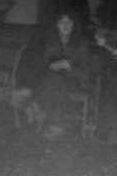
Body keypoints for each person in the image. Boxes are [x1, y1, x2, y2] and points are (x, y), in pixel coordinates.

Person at [36, 12, 95, 140]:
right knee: (54, 82)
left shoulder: (81, 44)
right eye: (62, 22)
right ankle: (56, 124)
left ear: (74, 25)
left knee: (56, 84)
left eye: (69, 22)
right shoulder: (49, 42)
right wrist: (52, 65)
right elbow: (40, 64)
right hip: (51, 80)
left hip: (74, 81)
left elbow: (86, 74)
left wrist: (69, 66)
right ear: (57, 25)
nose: (66, 25)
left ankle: (45, 115)